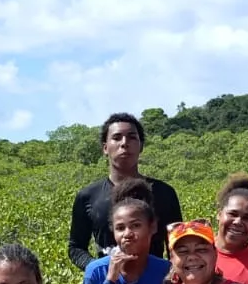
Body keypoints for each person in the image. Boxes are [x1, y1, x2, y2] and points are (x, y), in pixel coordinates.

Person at [68, 112, 184, 269]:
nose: (124, 143)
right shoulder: (88, 196)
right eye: (116, 138)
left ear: (141, 146)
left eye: (132, 137)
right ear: (105, 147)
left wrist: (171, 279)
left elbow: (176, 244)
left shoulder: (164, 193)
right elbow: (76, 248)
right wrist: (98, 269)